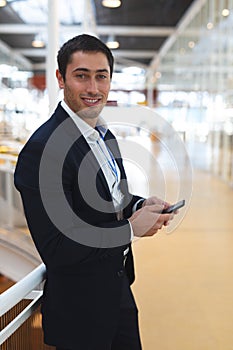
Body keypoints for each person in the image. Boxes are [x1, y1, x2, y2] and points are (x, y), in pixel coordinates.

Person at [14, 34, 175, 350]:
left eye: (101, 77)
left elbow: (116, 198)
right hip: (80, 314)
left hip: (118, 291)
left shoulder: (104, 135)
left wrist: (143, 205)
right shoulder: (42, 151)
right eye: (81, 76)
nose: (93, 88)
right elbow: (58, 249)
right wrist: (130, 229)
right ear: (61, 79)